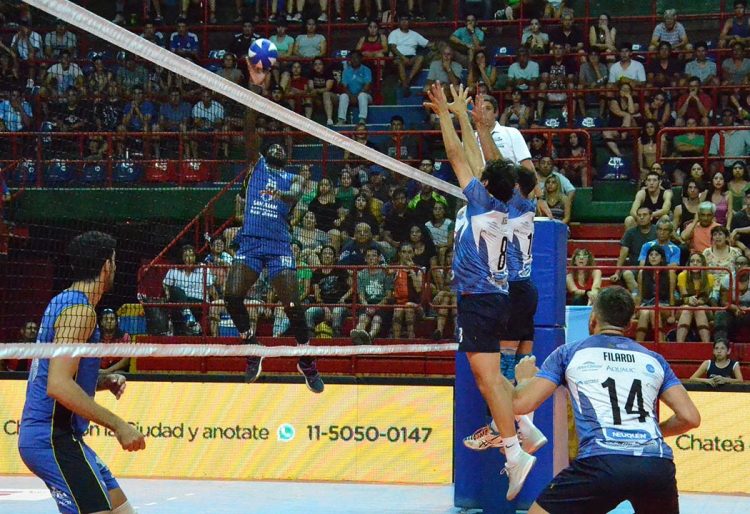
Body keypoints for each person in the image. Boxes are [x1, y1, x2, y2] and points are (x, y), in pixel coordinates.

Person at [424, 82, 535, 500]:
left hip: (482, 301)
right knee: (489, 378)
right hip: (496, 298)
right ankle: (520, 427)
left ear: (487, 183)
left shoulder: (481, 204)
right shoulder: (515, 205)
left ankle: (514, 452)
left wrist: (445, 116)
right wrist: (463, 119)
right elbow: (477, 158)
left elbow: (458, 156)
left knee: (489, 381)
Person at [512, 286, 701, 514]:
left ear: (593, 319)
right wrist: (646, 436)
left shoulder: (569, 353)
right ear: (629, 325)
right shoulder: (653, 359)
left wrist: (523, 380)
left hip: (601, 461)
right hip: (655, 464)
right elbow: (690, 418)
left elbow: (522, 404)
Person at [18, 231, 146, 514]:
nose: (116, 267)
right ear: (106, 266)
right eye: (114, 261)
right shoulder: (81, 312)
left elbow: (58, 372)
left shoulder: (63, 302)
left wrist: (101, 381)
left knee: (121, 510)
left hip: (64, 437)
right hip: (51, 438)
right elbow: (58, 385)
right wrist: (119, 425)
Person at [223, 109, 324, 391]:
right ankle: (252, 346)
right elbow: (249, 130)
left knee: (293, 306)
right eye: (273, 146)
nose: (278, 148)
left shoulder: (294, 178)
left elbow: (293, 196)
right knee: (231, 295)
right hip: (251, 243)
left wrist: (280, 193)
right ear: (267, 153)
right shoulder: (257, 167)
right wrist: (253, 92)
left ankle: (305, 360)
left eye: (283, 146)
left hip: (279, 245)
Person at [611, 206, 656, 293]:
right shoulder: (630, 233)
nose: (641, 217)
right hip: (636, 267)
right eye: (639, 215)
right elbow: (623, 254)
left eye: (644, 215)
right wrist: (617, 272)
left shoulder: (657, 231)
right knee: (627, 274)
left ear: (651, 217)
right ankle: (640, 297)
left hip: (655, 267)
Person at [676, 253, 714, 342]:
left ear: (703, 264)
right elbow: (684, 297)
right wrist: (689, 300)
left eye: (698, 261)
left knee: (699, 309)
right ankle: (679, 346)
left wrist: (700, 301)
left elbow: (706, 297)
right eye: (692, 261)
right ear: (688, 263)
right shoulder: (682, 276)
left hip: (704, 306)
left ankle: (706, 346)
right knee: (687, 308)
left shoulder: (710, 277)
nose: (695, 263)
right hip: (685, 306)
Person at [98, 308, 133, 373]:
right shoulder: (96, 337)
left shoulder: (125, 337)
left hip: (117, 370)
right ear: (101, 322)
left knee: (119, 373)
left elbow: (126, 361)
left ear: (116, 322)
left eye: (112, 319)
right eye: (106, 319)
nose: (109, 321)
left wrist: (107, 371)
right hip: (98, 370)